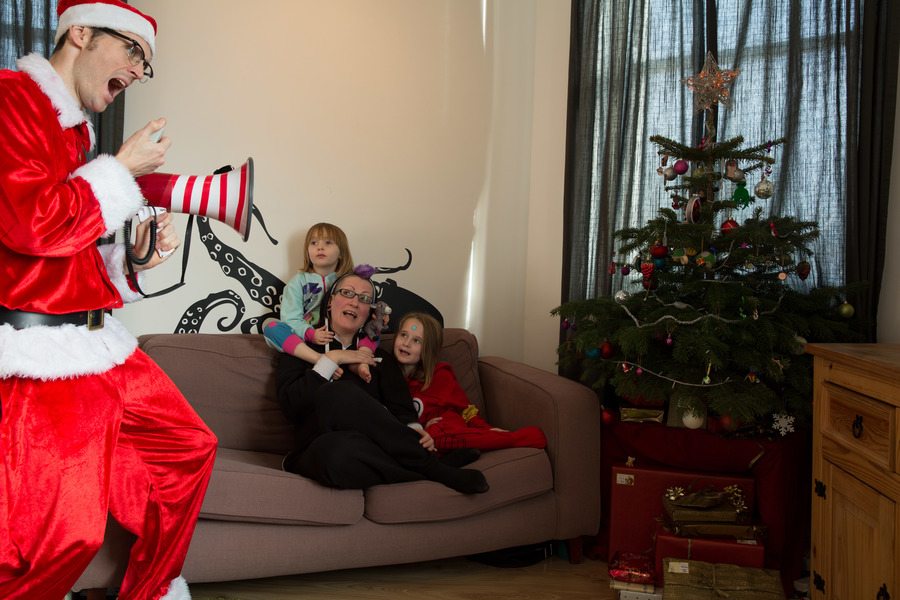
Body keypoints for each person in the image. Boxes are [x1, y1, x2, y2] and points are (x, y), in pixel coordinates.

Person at [0, 2, 217, 599]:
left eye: (146, 64)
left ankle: (152, 591)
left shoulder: (76, 131)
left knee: (186, 450)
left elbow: (67, 253)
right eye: (134, 53)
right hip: (44, 353)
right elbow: (32, 226)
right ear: (81, 32)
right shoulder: (11, 98)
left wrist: (133, 262)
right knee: (61, 535)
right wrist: (120, 170)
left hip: (100, 345)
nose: (140, 72)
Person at [276, 270, 489, 494]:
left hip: (369, 447)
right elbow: (291, 406)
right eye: (347, 293)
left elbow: (403, 410)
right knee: (336, 407)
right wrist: (331, 359)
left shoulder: (381, 359)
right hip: (316, 446)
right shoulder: (298, 348)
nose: (355, 302)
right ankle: (433, 467)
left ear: (370, 312)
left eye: (364, 298)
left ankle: (426, 464)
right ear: (330, 302)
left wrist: (415, 429)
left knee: (343, 445)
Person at [395, 313, 547, 454]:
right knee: (427, 441)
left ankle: (510, 439)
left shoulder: (440, 375)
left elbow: (466, 408)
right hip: (425, 435)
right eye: (403, 335)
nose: (406, 343)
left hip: (447, 425)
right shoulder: (390, 378)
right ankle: (462, 453)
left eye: (416, 340)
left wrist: (486, 428)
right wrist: (422, 429)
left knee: (437, 434)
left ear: (428, 349)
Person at [263, 224, 381, 382]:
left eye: (328, 243)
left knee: (376, 325)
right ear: (307, 251)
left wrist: (379, 316)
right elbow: (290, 319)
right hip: (307, 338)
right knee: (270, 325)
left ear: (341, 253)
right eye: (314, 243)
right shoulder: (297, 282)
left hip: (339, 336)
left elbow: (366, 305)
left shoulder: (347, 281)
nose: (320, 247)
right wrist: (310, 333)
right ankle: (319, 359)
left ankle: (361, 359)